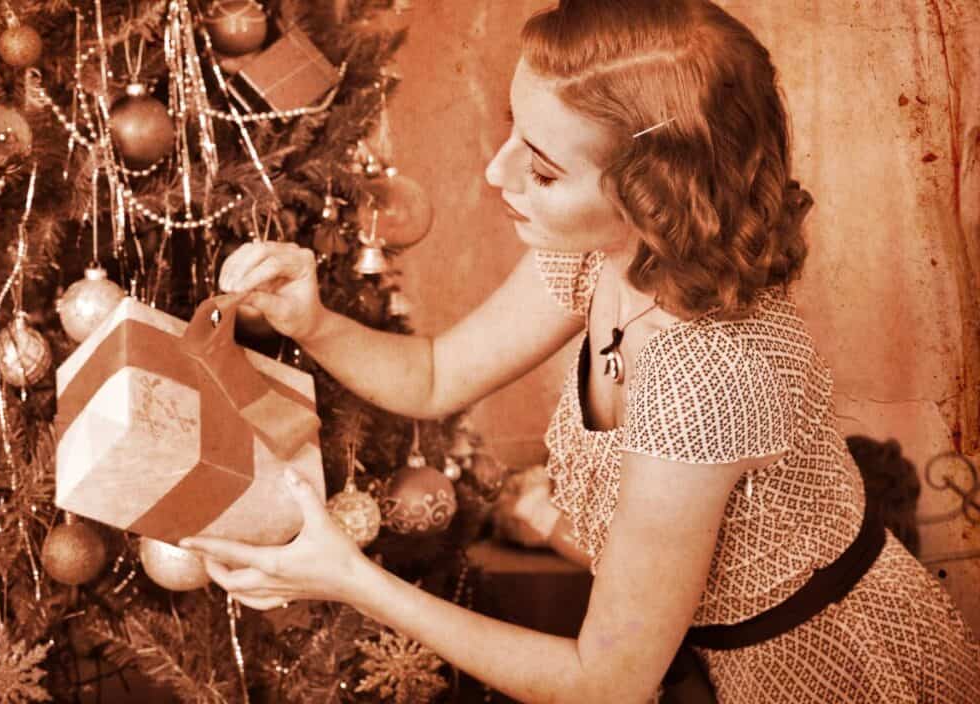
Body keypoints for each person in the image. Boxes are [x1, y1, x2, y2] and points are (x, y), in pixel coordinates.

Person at [179, 1, 980, 701]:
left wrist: (351, 580)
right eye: (513, 132)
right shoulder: (605, 255)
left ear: (654, 196)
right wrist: (311, 321)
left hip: (843, 672)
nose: (498, 175)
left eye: (543, 167)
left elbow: (608, 683)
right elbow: (433, 376)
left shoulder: (706, 378)